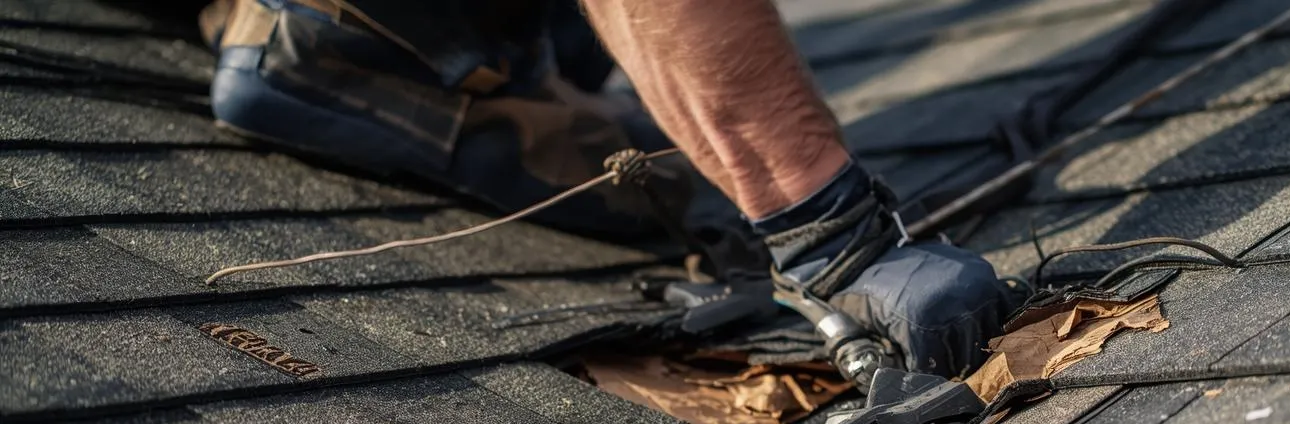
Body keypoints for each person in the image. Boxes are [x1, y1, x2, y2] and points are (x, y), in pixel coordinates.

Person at [200, 0, 1022, 376]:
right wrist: (829, 230)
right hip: (345, 45)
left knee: (602, 61)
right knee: (676, 177)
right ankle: (355, 50)